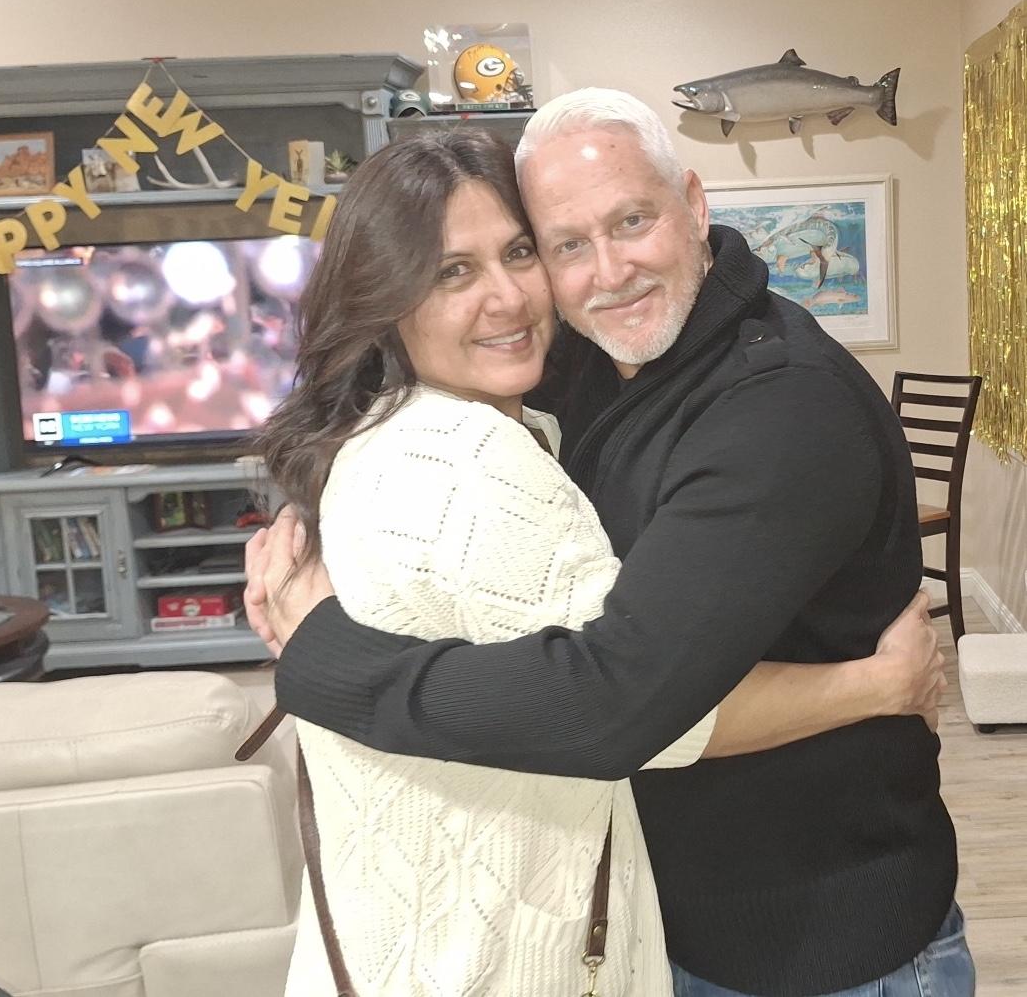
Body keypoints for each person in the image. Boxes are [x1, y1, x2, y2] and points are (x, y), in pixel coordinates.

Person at [248, 92, 973, 997]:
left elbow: (619, 703)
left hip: (820, 935)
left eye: (632, 221)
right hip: (671, 919)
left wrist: (327, 660)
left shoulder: (780, 409)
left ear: (694, 205)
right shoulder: (589, 364)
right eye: (562, 244)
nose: (608, 271)